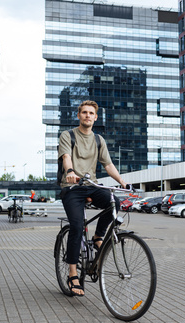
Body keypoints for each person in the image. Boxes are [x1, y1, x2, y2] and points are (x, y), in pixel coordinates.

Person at [58, 100, 129, 297]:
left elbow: (108, 165)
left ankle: (98, 236)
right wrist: (70, 171)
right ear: (79, 115)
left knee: (115, 203)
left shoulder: (99, 140)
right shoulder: (68, 135)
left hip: (91, 185)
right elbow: (66, 157)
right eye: (84, 113)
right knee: (77, 226)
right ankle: (72, 274)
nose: (88, 115)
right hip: (72, 186)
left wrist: (122, 182)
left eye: (91, 113)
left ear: (96, 117)